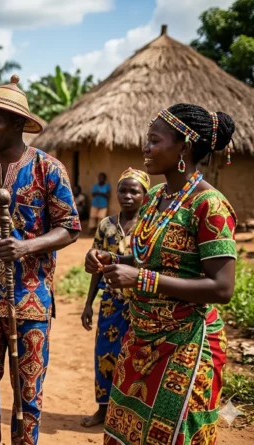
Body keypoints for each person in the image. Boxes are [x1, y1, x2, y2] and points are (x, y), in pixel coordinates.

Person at [85, 104, 237, 445]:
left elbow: (222, 287)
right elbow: (149, 258)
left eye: (154, 140)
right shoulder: (154, 198)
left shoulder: (209, 206)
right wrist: (110, 257)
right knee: (127, 432)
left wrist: (141, 280)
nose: (145, 148)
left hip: (187, 345)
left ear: (183, 147)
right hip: (141, 338)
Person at [0, 75, 81, 445]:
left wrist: (27, 247)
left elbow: (70, 227)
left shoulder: (48, 168)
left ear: (20, 124)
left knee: (28, 397)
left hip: (31, 301)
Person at [80, 168, 149, 428]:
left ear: (145, 195)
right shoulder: (106, 225)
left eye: (135, 191)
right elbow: (96, 265)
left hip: (142, 304)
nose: (128, 195)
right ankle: (103, 409)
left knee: (136, 358)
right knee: (105, 355)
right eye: (123, 190)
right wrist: (88, 303)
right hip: (111, 303)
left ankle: (131, 413)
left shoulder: (149, 227)